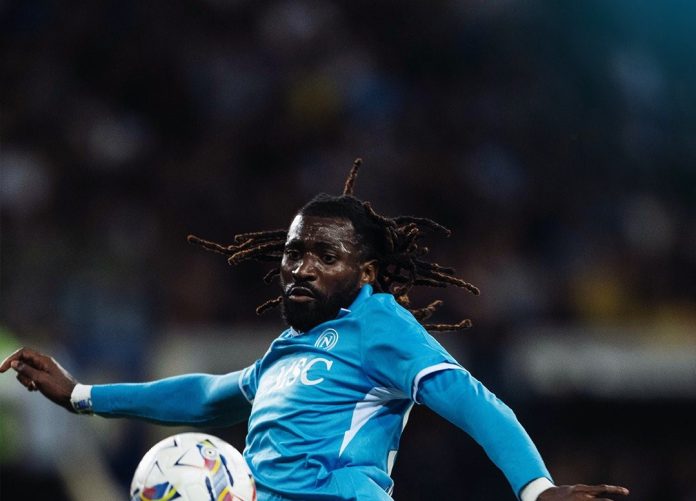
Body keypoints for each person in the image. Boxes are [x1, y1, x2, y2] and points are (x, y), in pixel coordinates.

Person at [1, 161, 628, 500]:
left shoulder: (376, 321)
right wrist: (81, 396)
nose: (301, 268)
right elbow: (209, 396)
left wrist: (535, 487)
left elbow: (467, 397)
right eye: (294, 253)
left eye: (325, 256)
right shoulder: (288, 349)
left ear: (366, 273)